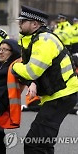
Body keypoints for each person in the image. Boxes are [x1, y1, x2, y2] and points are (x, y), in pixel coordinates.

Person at [12, 5, 78, 154]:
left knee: (35, 143)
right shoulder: (35, 38)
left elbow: (31, 71)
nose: (19, 24)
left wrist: (13, 67)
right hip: (58, 94)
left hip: (62, 95)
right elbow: (41, 68)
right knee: (43, 143)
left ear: (35, 24)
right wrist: (33, 83)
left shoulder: (44, 41)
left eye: (23, 21)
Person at [0, 39, 22, 154]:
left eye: (5, 50)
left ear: (13, 52)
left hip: (0, 102)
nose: (1, 52)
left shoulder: (17, 65)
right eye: (0, 49)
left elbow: (29, 77)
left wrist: (33, 84)